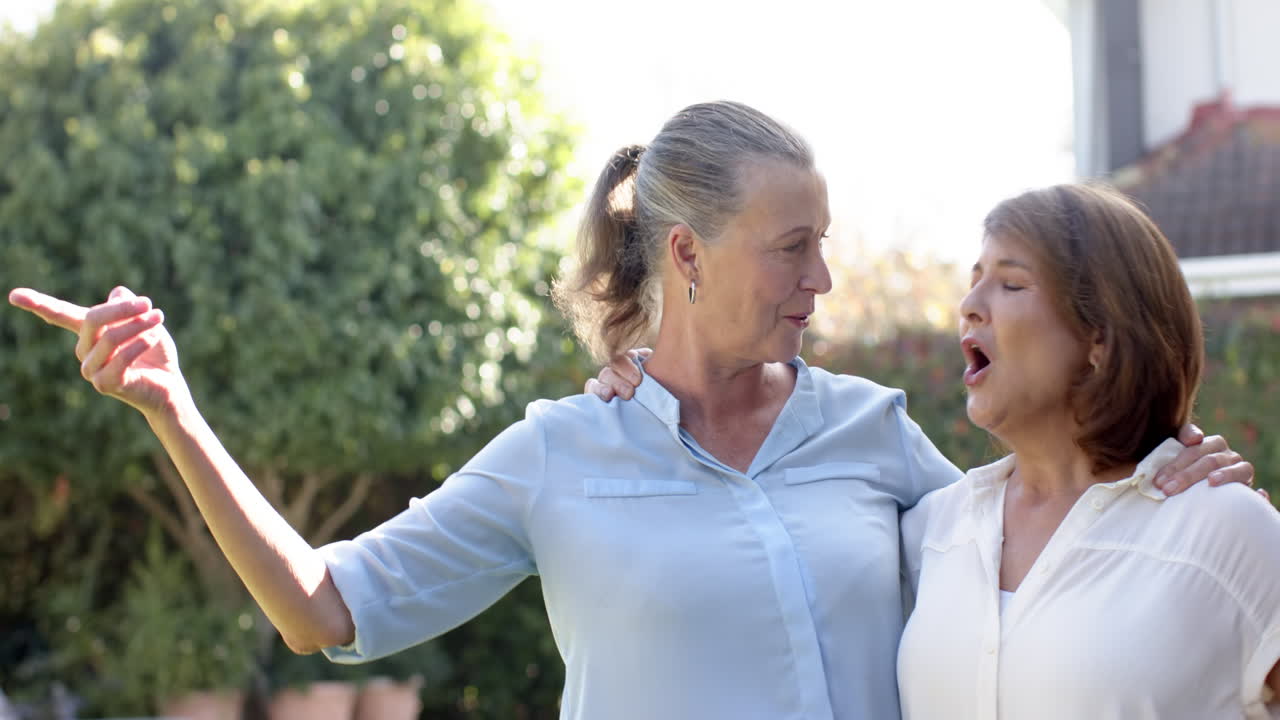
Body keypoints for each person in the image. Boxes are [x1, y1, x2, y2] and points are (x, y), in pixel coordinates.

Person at [7, 102, 1253, 720]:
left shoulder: (874, 430)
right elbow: (320, 607)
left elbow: (1029, 554)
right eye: (793, 248)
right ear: (688, 256)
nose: (823, 281)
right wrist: (171, 409)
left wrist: (1158, 468)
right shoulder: (557, 455)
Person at [895, 184, 1280, 719]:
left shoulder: (1226, 529)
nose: (968, 307)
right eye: (973, 282)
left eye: (1010, 284)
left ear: (1099, 336)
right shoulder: (931, 530)